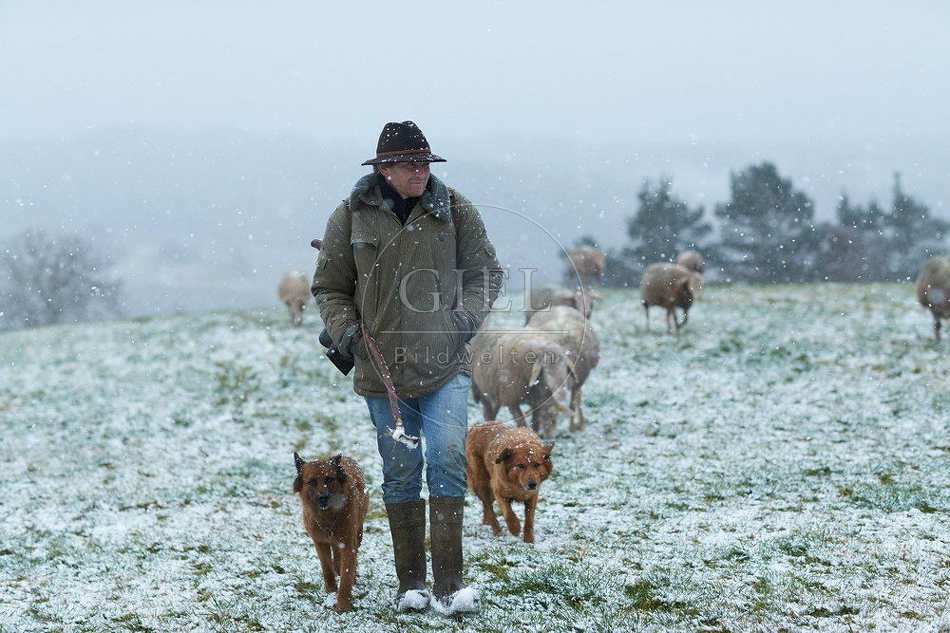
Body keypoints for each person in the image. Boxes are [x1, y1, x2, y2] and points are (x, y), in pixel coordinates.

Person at [311, 121, 503, 615]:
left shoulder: (455, 210)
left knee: (445, 457)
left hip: (444, 362)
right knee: (400, 472)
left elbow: (486, 273)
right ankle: (411, 586)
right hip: (381, 368)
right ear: (383, 169)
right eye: (410, 163)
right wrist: (348, 331)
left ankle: (451, 584)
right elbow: (329, 287)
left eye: (426, 163)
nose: (421, 170)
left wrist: (463, 320)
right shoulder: (350, 216)